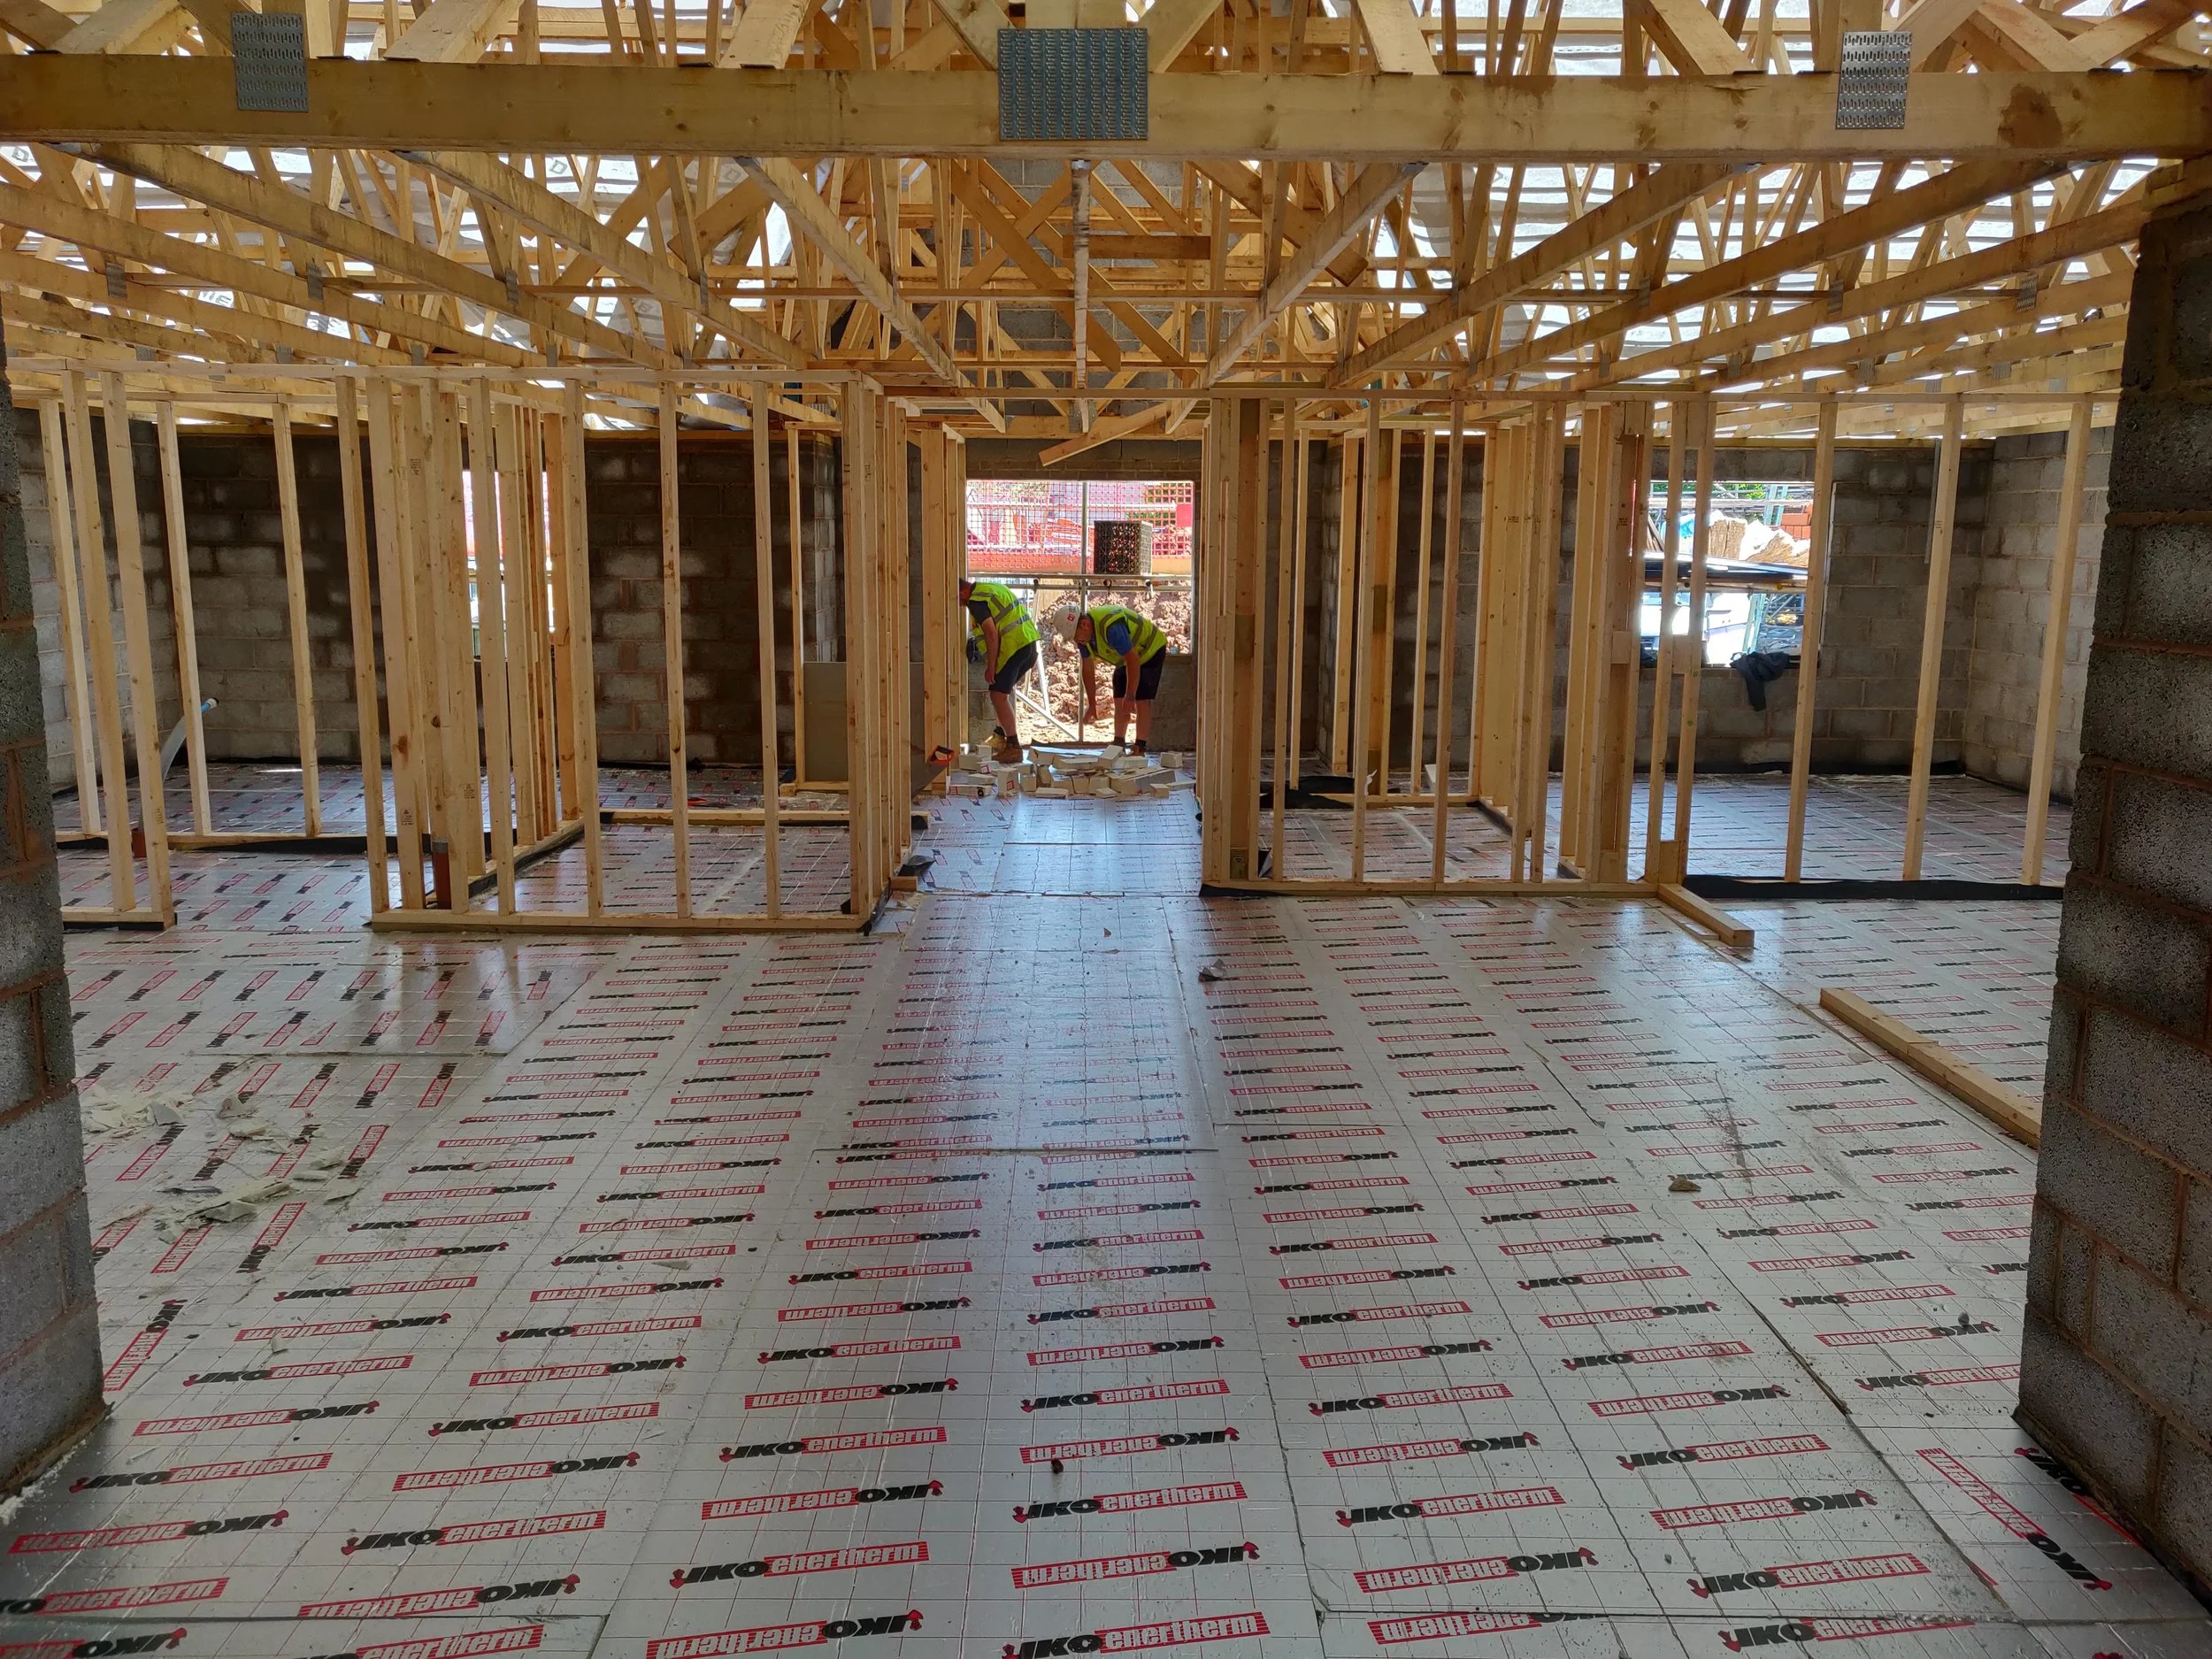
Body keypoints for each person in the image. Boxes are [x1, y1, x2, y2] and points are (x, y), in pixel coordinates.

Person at [1062, 602, 1167, 755]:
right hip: (1127, 656)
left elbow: (1133, 659)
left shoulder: (1111, 628)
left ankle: (1139, 747)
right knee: (1119, 690)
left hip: (1150, 649)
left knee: (1141, 697)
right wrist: (1092, 704)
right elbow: (1088, 669)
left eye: (1076, 637)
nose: (1077, 641)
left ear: (1084, 624)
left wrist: (1130, 695)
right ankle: (1119, 743)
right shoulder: (1084, 638)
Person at [962, 579, 1039, 764]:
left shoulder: (976, 601)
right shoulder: (990, 588)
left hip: (1015, 647)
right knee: (1000, 693)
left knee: (998, 695)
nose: (957, 603)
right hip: (1027, 644)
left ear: (962, 592)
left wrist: (991, 666)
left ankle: (1013, 747)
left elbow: (991, 633)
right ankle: (1000, 734)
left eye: (956, 599)